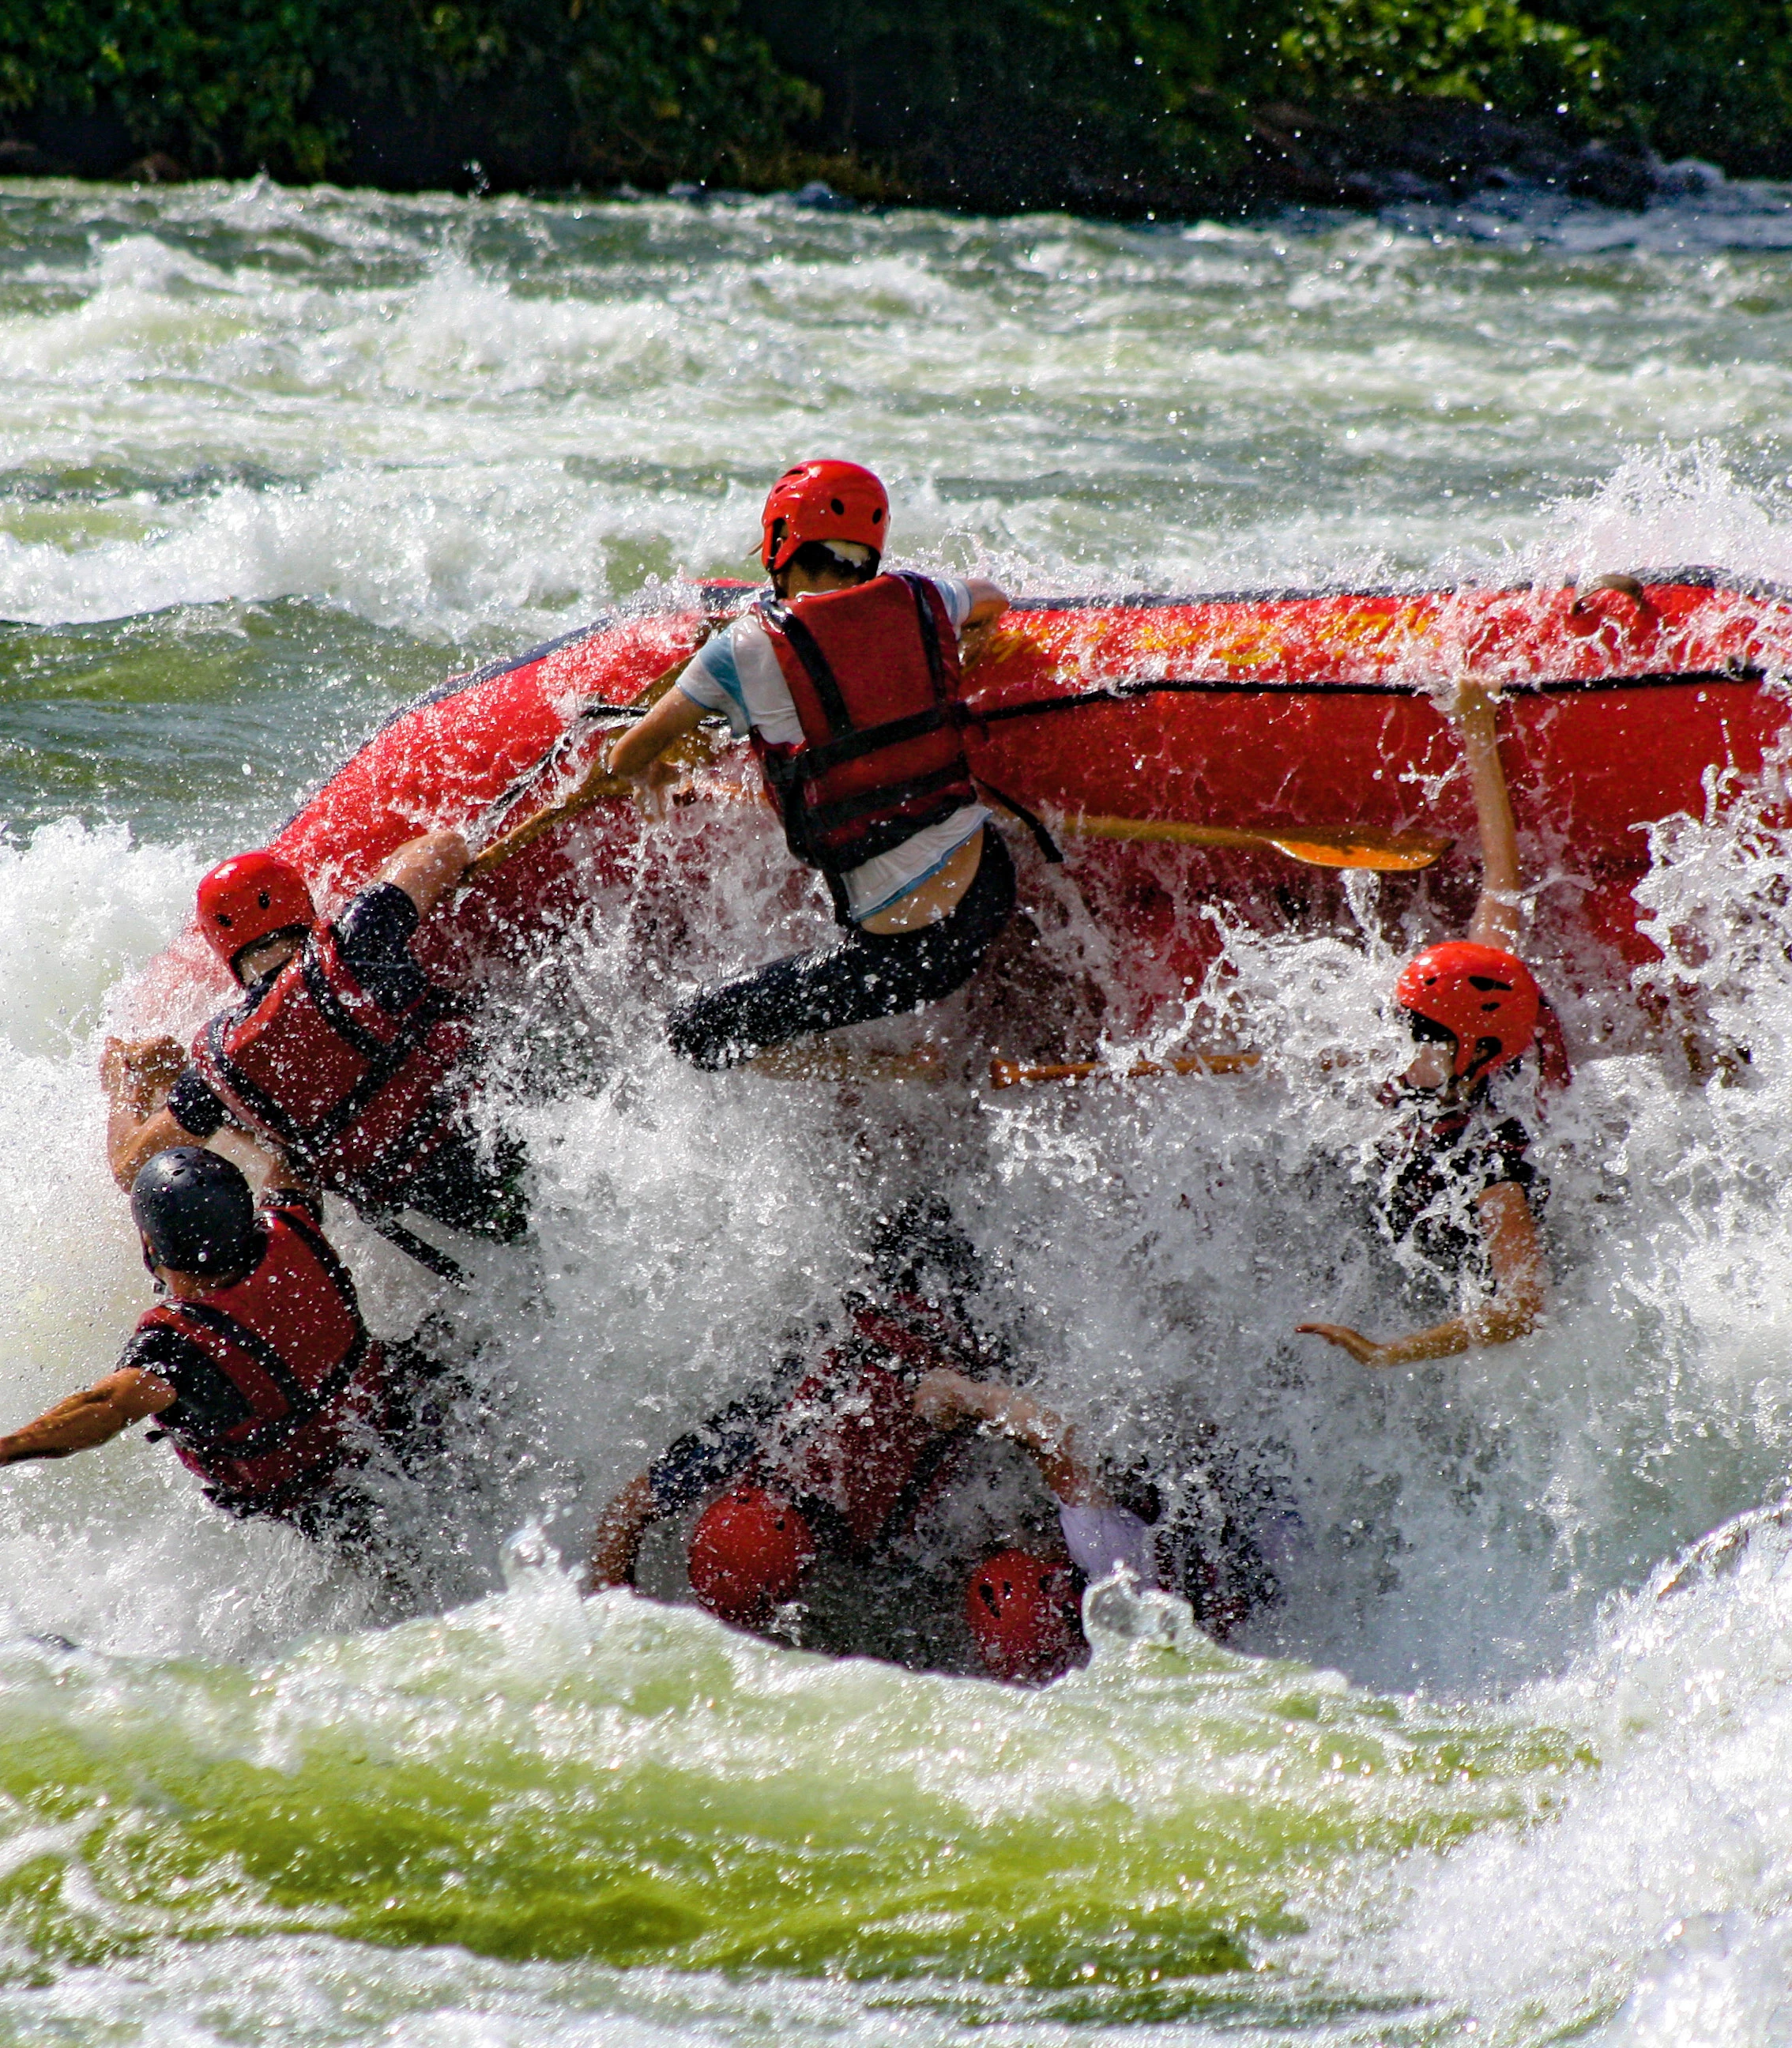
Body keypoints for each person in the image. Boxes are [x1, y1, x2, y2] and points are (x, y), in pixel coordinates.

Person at [585, 1203, 1278, 1682]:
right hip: (932, 1291)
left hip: (967, 1297)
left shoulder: (1107, 1557)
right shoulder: (762, 1433)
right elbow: (626, 1511)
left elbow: (628, 1512)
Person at [597, 459, 1017, 1068]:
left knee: (694, 1032)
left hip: (914, 957)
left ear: (776, 543)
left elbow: (626, 755)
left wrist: (654, 770)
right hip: (990, 886)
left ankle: (899, 1070)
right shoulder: (921, 599)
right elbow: (994, 599)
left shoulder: (740, 649)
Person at [104, 827, 526, 1253]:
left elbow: (130, 1167)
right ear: (301, 907)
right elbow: (444, 848)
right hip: (520, 1133)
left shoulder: (220, 1068)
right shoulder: (358, 939)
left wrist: (125, 1087)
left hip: (465, 1214)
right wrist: (371, 894)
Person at [1297, 684, 1555, 1368]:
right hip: (1411, 1169)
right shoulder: (1483, 994)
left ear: (1468, 1054)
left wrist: (1390, 1353)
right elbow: (1504, 876)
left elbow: (1523, 1306)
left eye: (1417, 1037)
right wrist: (1477, 728)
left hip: (1439, 1259)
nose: (1401, 1047)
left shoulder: (1495, 1163)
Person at [0, 1148, 435, 1539]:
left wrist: (7, 1450)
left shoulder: (177, 1349)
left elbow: (105, 1409)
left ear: (150, 1244)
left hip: (335, 1508)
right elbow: (292, 1161)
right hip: (412, 1419)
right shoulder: (290, 1222)